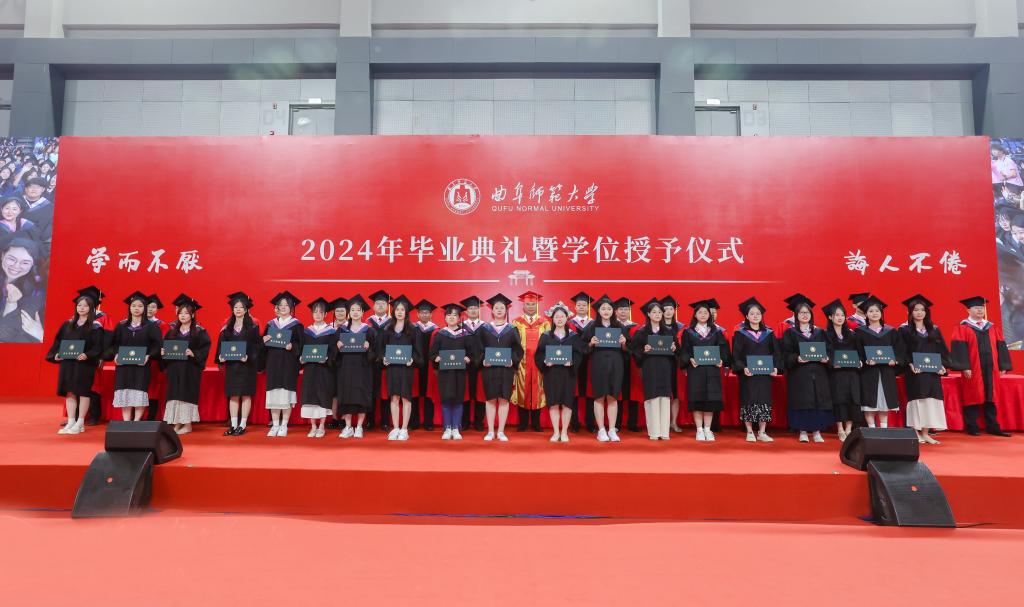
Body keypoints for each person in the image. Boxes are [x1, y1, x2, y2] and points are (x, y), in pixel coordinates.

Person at [950, 296, 1013, 437]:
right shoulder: (962, 327)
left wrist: (1003, 365)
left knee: (991, 396)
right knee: (972, 395)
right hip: (973, 368)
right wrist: (964, 366)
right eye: (976, 308)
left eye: (982, 308)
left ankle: (993, 426)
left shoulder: (992, 327)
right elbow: (959, 349)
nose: (980, 310)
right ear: (968, 310)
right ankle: (972, 426)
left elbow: (1000, 345)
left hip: (991, 368)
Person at [45, 287, 105, 435]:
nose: (81, 308)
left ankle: (80, 422)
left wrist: (88, 355)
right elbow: (58, 342)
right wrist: (56, 355)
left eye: (85, 306)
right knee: (70, 392)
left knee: (83, 392)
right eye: (79, 305)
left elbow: (98, 347)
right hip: (68, 363)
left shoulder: (95, 326)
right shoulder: (68, 324)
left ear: (91, 308)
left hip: (84, 364)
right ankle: (71, 421)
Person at [781, 295, 834, 443]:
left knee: (818, 401)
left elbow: (830, 351)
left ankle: (817, 431)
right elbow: (786, 354)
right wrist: (797, 358)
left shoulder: (820, 332)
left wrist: (827, 359)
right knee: (802, 401)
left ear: (811, 315)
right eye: (801, 313)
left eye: (807, 312)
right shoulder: (790, 333)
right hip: (800, 374)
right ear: (796, 315)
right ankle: (802, 431)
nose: (805, 315)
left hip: (818, 373)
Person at [899, 294, 950, 444]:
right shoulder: (904, 330)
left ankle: (926, 433)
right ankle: (916, 432)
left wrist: (942, 365)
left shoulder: (934, 329)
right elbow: (902, 351)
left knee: (930, 401)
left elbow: (942, 350)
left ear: (927, 312)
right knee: (917, 401)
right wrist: (909, 364)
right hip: (915, 372)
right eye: (916, 310)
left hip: (932, 372)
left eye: (922, 310)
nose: (919, 312)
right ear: (910, 312)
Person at [160, 294, 211, 435]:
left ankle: (187, 425)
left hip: (190, 369)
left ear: (192, 315)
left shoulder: (200, 332)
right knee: (174, 394)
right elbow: (166, 349)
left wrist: (193, 353)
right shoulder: (172, 332)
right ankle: (177, 423)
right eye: (180, 313)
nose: (182, 316)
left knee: (186, 394)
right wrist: (163, 352)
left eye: (186, 313)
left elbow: (204, 349)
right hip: (174, 368)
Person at [107, 291, 162, 422]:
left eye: (140, 306)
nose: (137, 308)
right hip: (123, 366)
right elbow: (113, 344)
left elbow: (157, 345)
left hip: (141, 366)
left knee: (139, 392)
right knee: (125, 392)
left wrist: (149, 355)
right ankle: (127, 421)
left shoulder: (151, 326)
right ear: (129, 308)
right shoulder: (121, 326)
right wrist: (116, 354)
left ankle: (136, 421)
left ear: (144, 308)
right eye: (134, 306)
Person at [731, 297, 780, 442]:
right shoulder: (740, 334)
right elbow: (736, 355)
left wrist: (775, 368)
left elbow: (776, 353)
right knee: (749, 400)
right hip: (748, 374)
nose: (755, 316)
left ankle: (762, 432)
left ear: (761, 315)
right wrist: (743, 368)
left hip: (765, 374)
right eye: (752, 314)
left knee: (764, 401)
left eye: (758, 313)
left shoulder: (769, 333)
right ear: (746, 316)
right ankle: (749, 431)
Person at [680, 299, 729, 442]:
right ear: (695, 315)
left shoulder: (716, 332)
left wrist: (722, 360)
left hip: (712, 370)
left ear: (710, 315)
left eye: (705, 312)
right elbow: (684, 351)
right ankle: (699, 430)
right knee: (697, 399)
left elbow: (723, 349)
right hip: (696, 371)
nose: (703, 315)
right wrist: (689, 359)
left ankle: (708, 429)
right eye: (700, 312)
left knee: (710, 400)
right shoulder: (688, 332)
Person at [478, 293, 524, 442]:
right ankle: (491, 431)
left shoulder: (512, 329)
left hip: (506, 369)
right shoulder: (484, 329)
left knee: (504, 400)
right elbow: (478, 349)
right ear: (492, 310)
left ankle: (501, 431)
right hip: (489, 369)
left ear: (506, 311)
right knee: (490, 399)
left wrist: (512, 360)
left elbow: (518, 350)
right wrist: (483, 360)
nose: (499, 310)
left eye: (502, 308)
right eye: (496, 308)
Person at [581, 294, 627, 442]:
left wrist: (624, 343)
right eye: (603, 308)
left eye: (609, 308)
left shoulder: (619, 326)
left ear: (613, 311)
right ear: (598, 311)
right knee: (599, 396)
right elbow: (582, 347)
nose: (606, 311)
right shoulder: (592, 326)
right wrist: (591, 343)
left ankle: (612, 429)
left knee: (613, 397)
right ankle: (601, 430)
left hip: (616, 363)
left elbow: (628, 349)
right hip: (598, 363)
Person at [853, 295, 904, 429]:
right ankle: (871, 429)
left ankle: (884, 429)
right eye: (871, 311)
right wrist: (864, 361)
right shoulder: (859, 332)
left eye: (877, 311)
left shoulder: (891, 331)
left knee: (884, 401)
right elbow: (857, 352)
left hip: (886, 372)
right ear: (866, 314)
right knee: (869, 402)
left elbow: (899, 351)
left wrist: (895, 361)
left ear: (881, 313)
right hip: (868, 373)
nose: (874, 313)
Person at [631, 298, 677, 440]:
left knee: (665, 397)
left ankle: (664, 432)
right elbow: (635, 350)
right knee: (652, 397)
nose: (657, 314)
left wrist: (674, 348)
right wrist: (643, 350)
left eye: (659, 312)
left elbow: (677, 349)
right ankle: (654, 432)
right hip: (650, 367)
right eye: (654, 312)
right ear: (648, 314)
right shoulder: (641, 332)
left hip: (665, 367)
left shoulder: (668, 332)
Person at [536, 302, 582, 443]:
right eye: (557, 316)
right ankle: (556, 432)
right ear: (553, 318)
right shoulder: (546, 336)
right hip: (552, 374)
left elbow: (578, 354)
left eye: (562, 316)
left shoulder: (573, 336)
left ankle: (564, 432)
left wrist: (572, 362)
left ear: (567, 318)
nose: (560, 319)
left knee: (567, 403)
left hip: (568, 374)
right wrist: (545, 361)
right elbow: (539, 354)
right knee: (554, 402)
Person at [217, 292, 262, 436]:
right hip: (232, 366)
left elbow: (257, 346)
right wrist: (221, 356)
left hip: (247, 366)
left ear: (246, 309)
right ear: (232, 309)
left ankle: (242, 425)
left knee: (246, 394)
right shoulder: (227, 328)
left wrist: (249, 356)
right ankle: (233, 424)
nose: (238, 309)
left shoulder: (252, 327)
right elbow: (221, 345)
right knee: (233, 395)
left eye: (241, 307)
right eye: (235, 307)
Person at [429, 303, 475, 440]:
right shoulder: (440, 334)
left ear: (459, 318)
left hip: (459, 373)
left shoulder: (465, 334)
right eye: (449, 315)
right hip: (445, 373)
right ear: (445, 318)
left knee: (458, 400)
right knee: (446, 399)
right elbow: (432, 353)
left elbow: (472, 354)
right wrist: (436, 358)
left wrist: (468, 358)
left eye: (455, 315)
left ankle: (456, 428)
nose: (451, 317)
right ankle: (447, 428)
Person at [336, 295, 378, 438]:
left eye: (358, 310)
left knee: (362, 396)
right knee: (346, 395)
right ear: (349, 312)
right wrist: (337, 346)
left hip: (363, 369)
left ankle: (359, 426)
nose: (355, 312)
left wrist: (368, 347)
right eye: (352, 310)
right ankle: (348, 426)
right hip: (345, 369)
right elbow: (333, 352)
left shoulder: (369, 331)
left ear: (362, 312)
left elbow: (376, 353)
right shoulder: (342, 330)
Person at [262, 291, 302, 437]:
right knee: (273, 395)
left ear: (291, 308)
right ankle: (275, 425)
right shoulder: (270, 324)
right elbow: (263, 347)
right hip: (273, 364)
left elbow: (301, 345)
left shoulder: (297, 325)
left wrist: (293, 347)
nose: (283, 307)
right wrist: (263, 340)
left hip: (288, 365)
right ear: (277, 307)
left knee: (286, 396)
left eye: (286, 305)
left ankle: (284, 425)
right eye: (281, 305)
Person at [380, 295, 421, 441]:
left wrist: (412, 359)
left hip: (406, 369)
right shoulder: (388, 329)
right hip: (392, 369)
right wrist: (384, 358)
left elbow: (418, 352)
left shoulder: (413, 330)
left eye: (402, 310)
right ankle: (396, 428)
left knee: (406, 398)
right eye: (397, 309)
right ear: (394, 311)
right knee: (394, 397)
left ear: (406, 312)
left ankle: (404, 429)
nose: (399, 312)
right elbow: (382, 349)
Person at [822, 299, 862, 441]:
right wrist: (831, 363)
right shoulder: (825, 334)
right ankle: (840, 429)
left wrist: (859, 362)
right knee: (839, 400)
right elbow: (825, 353)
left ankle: (849, 428)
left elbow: (858, 352)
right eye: (837, 315)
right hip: (836, 373)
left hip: (851, 372)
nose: (840, 318)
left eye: (842, 315)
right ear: (830, 317)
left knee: (852, 398)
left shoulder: (852, 334)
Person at [299, 298, 336, 438]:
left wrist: (326, 358)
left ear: (325, 314)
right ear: (312, 314)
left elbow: (333, 351)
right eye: (315, 312)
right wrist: (302, 359)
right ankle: (313, 426)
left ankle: (321, 426)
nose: (318, 314)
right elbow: (302, 349)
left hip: (324, 370)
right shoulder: (307, 331)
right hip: (310, 369)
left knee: (322, 396)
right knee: (310, 397)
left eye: (321, 312)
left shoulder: (331, 331)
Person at [512, 290, 549, 432]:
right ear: (523, 305)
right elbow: (513, 343)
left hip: (539, 362)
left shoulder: (544, 323)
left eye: (533, 304)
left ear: (537, 305)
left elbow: (549, 343)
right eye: (528, 304)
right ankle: (522, 423)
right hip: (522, 362)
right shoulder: (517, 322)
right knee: (523, 389)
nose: (530, 307)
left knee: (538, 390)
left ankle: (536, 423)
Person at [0, 237, 45, 343]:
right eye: (12, 259)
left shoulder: (35, 294)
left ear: (32, 265)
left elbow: (4, 334)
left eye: (25, 263)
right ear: (2, 255)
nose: (16, 266)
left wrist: (11, 303)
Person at [568, 291, 594, 433]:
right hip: (574, 360)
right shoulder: (569, 323)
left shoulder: (594, 323)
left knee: (591, 392)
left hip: (590, 360)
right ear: (575, 307)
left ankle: (590, 423)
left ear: (588, 307)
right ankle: (574, 423)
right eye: (579, 305)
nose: (582, 307)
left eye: (584, 305)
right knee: (574, 392)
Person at [366, 289, 392, 431]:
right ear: (373, 306)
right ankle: (369, 421)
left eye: (383, 303)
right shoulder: (367, 323)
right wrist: (371, 356)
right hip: (369, 363)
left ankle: (385, 421)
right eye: (378, 303)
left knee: (385, 393)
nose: (380, 305)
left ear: (387, 306)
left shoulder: (392, 323)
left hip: (386, 363)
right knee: (369, 391)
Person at [411, 299, 438, 431]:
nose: (424, 314)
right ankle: (414, 422)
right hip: (415, 365)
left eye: (427, 312)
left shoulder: (436, 330)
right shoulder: (412, 328)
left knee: (429, 394)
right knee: (413, 394)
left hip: (430, 366)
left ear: (431, 315)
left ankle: (428, 422)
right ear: (418, 314)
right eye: (422, 312)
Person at [460, 295, 486, 431]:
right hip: (464, 365)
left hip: (481, 366)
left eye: (476, 308)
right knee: (465, 394)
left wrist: (481, 360)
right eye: (470, 308)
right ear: (466, 311)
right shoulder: (460, 327)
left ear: (479, 310)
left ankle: (478, 422)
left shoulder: (486, 327)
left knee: (480, 394)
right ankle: (464, 421)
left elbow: (488, 346)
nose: (473, 310)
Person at [615, 297, 641, 432]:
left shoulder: (636, 327)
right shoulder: (612, 326)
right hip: (616, 362)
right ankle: (616, 424)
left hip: (632, 362)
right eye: (621, 309)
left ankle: (633, 423)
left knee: (633, 392)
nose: (624, 312)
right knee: (617, 392)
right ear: (616, 311)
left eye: (626, 309)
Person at [661, 295, 685, 434]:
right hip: (661, 363)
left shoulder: (681, 328)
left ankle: (673, 422)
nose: (668, 311)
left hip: (676, 363)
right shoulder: (656, 326)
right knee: (663, 393)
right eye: (665, 309)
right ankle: (663, 423)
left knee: (675, 394)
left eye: (671, 309)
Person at [145, 294, 167, 421]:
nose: (150, 309)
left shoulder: (162, 325)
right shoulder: (135, 323)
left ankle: (151, 416)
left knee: (153, 389)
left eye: (153, 307)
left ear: (157, 309)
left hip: (155, 362)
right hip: (139, 361)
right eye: (147, 306)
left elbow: (163, 344)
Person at [327, 297, 348, 429]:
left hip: (346, 364)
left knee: (345, 391)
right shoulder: (328, 328)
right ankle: (334, 418)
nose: (340, 313)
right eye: (337, 311)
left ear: (347, 312)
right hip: (332, 364)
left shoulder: (352, 327)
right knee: (334, 392)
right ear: (334, 312)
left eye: (342, 311)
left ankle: (345, 419)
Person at [19, 177, 53, 247]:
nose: (34, 189)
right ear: (26, 189)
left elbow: (48, 228)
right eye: (31, 187)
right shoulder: (15, 202)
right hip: (12, 238)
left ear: (43, 189)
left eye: (38, 187)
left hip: (35, 242)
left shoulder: (49, 207)